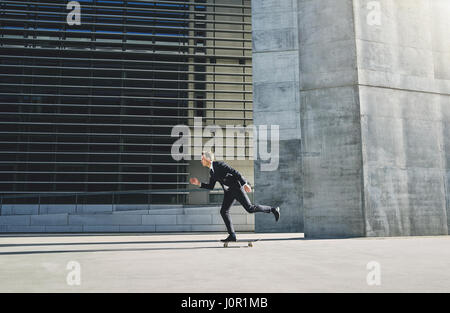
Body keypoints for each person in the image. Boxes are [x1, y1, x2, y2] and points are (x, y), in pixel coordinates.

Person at [189, 151, 280, 242]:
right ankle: (232, 235)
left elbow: (235, 172)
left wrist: (244, 184)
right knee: (223, 211)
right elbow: (210, 186)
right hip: (229, 192)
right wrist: (199, 183)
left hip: (236, 188)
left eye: (202, 159)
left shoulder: (219, 165)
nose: (201, 161)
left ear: (207, 159)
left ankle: (272, 209)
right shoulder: (212, 172)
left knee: (250, 208)